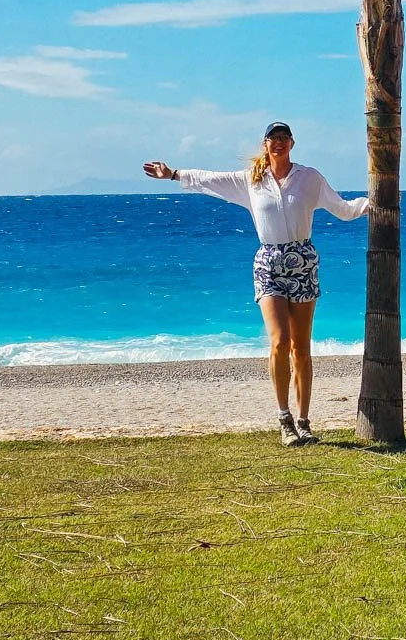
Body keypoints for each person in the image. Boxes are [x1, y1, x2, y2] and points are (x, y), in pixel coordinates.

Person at [143, 122, 368, 446]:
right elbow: (211, 180)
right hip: (268, 263)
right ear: (265, 145)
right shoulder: (251, 179)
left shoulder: (310, 178)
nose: (278, 143)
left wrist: (375, 201)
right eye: (272, 139)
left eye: (283, 138)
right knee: (279, 341)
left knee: (301, 348)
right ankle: (284, 419)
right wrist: (174, 174)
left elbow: (343, 210)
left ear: (292, 143)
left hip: (302, 260)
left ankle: (304, 421)